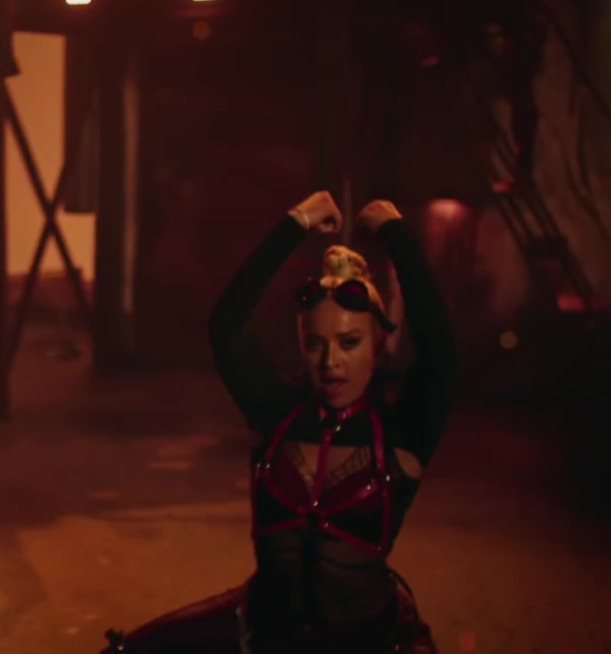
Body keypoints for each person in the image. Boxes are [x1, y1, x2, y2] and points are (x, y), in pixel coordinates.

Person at [103, 191, 454, 654]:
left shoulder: (400, 435)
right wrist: (297, 220)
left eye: (349, 343)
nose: (330, 362)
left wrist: (396, 234)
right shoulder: (276, 413)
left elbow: (440, 352)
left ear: (377, 344)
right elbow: (225, 326)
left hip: (369, 641)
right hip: (265, 629)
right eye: (315, 344)